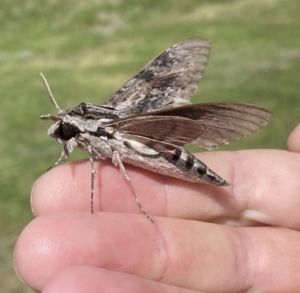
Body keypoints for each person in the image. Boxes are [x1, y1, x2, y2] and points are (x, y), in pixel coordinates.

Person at [14, 124, 300, 293]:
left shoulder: (99, 133)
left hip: (168, 156)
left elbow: (95, 167)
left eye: (64, 131)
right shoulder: (86, 135)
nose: (61, 135)